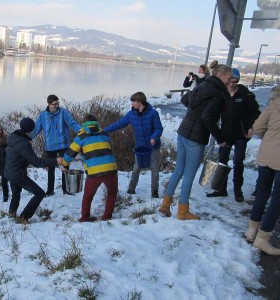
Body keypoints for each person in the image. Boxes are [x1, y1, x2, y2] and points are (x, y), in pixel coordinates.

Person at [159, 64, 231, 220]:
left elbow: (185, 99)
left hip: (183, 132)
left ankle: (165, 204)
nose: (230, 80)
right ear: (220, 76)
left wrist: (194, 112)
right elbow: (207, 119)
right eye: (228, 77)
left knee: (179, 170)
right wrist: (221, 138)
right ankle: (183, 210)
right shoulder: (217, 94)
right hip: (196, 138)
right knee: (189, 175)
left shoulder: (202, 85)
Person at [206, 68, 261, 202]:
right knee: (222, 161)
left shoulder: (246, 95)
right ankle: (221, 189)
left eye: (235, 81)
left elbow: (256, 113)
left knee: (238, 161)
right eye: (230, 82)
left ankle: (238, 191)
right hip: (225, 133)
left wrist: (251, 127)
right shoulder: (222, 95)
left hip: (241, 134)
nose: (232, 84)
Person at [104, 92, 163, 198]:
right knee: (136, 168)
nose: (132, 104)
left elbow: (159, 128)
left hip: (153, 146)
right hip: (140, 147)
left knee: (155, 169)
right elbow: (119, 124)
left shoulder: (153, 113)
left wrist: (154, 137)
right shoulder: (131, 115)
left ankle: (154, 191)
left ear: (140, 102)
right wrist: (104, 131)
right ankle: (131, 189)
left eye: (133, 102)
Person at [4, 117, 63, 223]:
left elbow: (25, 157)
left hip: (9, 171)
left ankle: (11, 215)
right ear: (30, 130)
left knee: (16, 194)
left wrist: (43, 164)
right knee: (39, 193)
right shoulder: (23, 143)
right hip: (17, 174)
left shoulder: (14, 137)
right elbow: (36, 162)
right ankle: (24, 218)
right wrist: (56, 161)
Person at [62, 114, 119, 222]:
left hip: (94, 171)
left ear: (83, 124)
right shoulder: (104, 133)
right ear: (96, 123)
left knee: (88, 197)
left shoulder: (81, 136)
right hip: (111, 168)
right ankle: (107, 216)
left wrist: (64, 164)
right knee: (112, 193)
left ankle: (85, 217)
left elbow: (70, 154)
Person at [244, 86, 280, 255]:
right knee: (277, 198)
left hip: (266, 154)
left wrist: (269, 138)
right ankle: (263, 239)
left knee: (262, 193)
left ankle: (252, 231)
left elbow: (257, 127)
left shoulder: (274, 103)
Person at [31, 95, 81, 196]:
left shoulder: (64, 113)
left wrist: (83, 133)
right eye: (54, 104)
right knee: (50, 169)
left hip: (63, 145)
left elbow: (72, 124)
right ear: (48, 104)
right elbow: (36, 129)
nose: (57, 106)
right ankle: (50, 190)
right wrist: (27, 138)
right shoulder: (43, 116)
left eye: (58, 103)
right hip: (49, 147)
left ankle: (66, 189)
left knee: (65, 167)